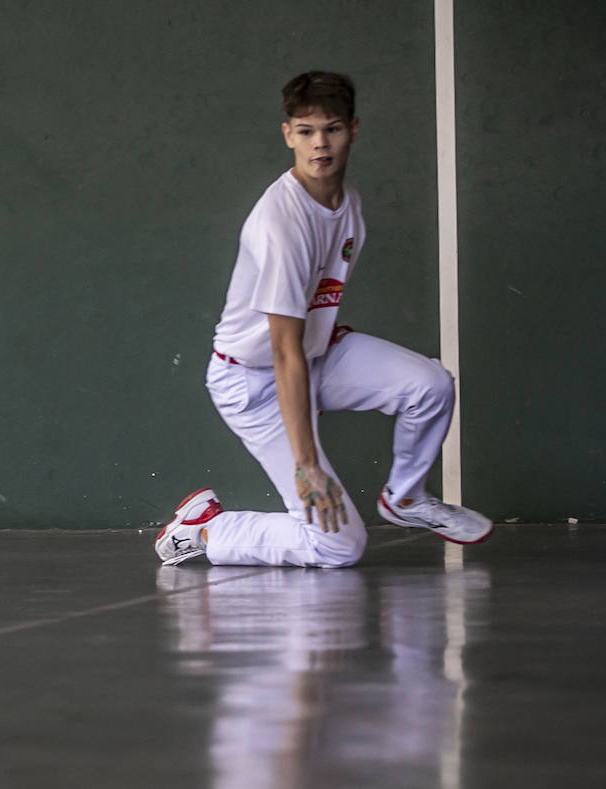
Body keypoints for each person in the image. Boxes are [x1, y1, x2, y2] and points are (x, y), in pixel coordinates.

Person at [155, 71, 492, 569]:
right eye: (306, 131)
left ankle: (404, 498)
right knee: (339, 547)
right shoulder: (281, 225)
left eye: (331, 129)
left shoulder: (347, 200)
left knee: (431, 386)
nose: (320, 144)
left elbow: (314, 314)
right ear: (287, 134)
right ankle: (206, 531)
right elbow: (282, 350)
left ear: (353, 129)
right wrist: (307, 464)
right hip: (254, 382)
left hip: (315, 355)